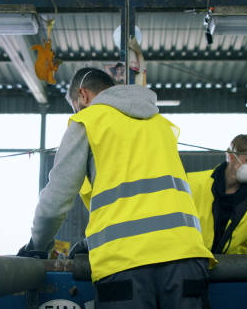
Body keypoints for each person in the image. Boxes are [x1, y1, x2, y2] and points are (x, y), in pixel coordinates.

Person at [17, 66, 216, 309]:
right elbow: (149, 200)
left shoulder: (88, 120)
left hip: (125, 262)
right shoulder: (162, 125)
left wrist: (36, 247)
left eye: (75, 105)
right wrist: (94, 240)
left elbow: (55, 202)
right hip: (186, 256)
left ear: (83, 95)